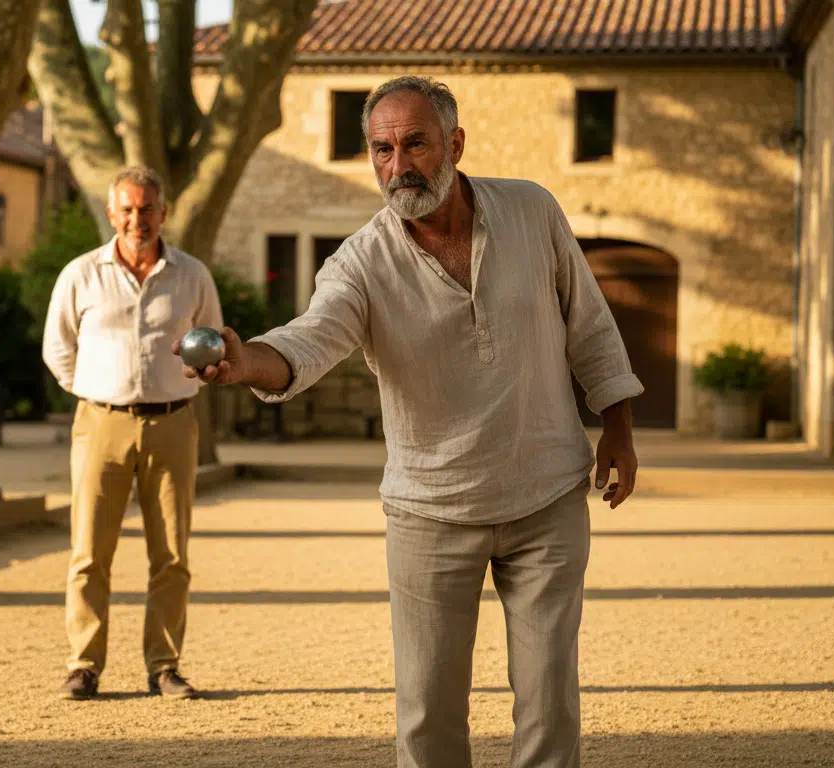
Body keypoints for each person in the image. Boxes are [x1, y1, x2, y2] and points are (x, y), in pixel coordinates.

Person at [176, 76, 642, 767]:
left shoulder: (532, 211)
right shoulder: (361, 263)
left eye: (415, 143)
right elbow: (311, 337)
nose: (400, 166)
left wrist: (619, 427)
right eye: (382, 150)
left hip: (546, 494)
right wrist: (250, 363)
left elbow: (589, 324)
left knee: (550, 702)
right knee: (427, 715)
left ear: (454, 143)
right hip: (431, 510)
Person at [43, 165, 224, 701]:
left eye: (147, 209)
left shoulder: (192, 275)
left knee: (171, 556)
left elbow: (210, 340)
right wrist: (99, 390)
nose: (136, 219)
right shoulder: (81, 274)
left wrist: (190, 374)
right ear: (111, 214)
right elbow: (58, 348)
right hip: (100, 423)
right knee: (89, 552)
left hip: (173, 423)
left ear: (164, 213)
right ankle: (83, 665)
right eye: (126, 209)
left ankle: (164, 668)